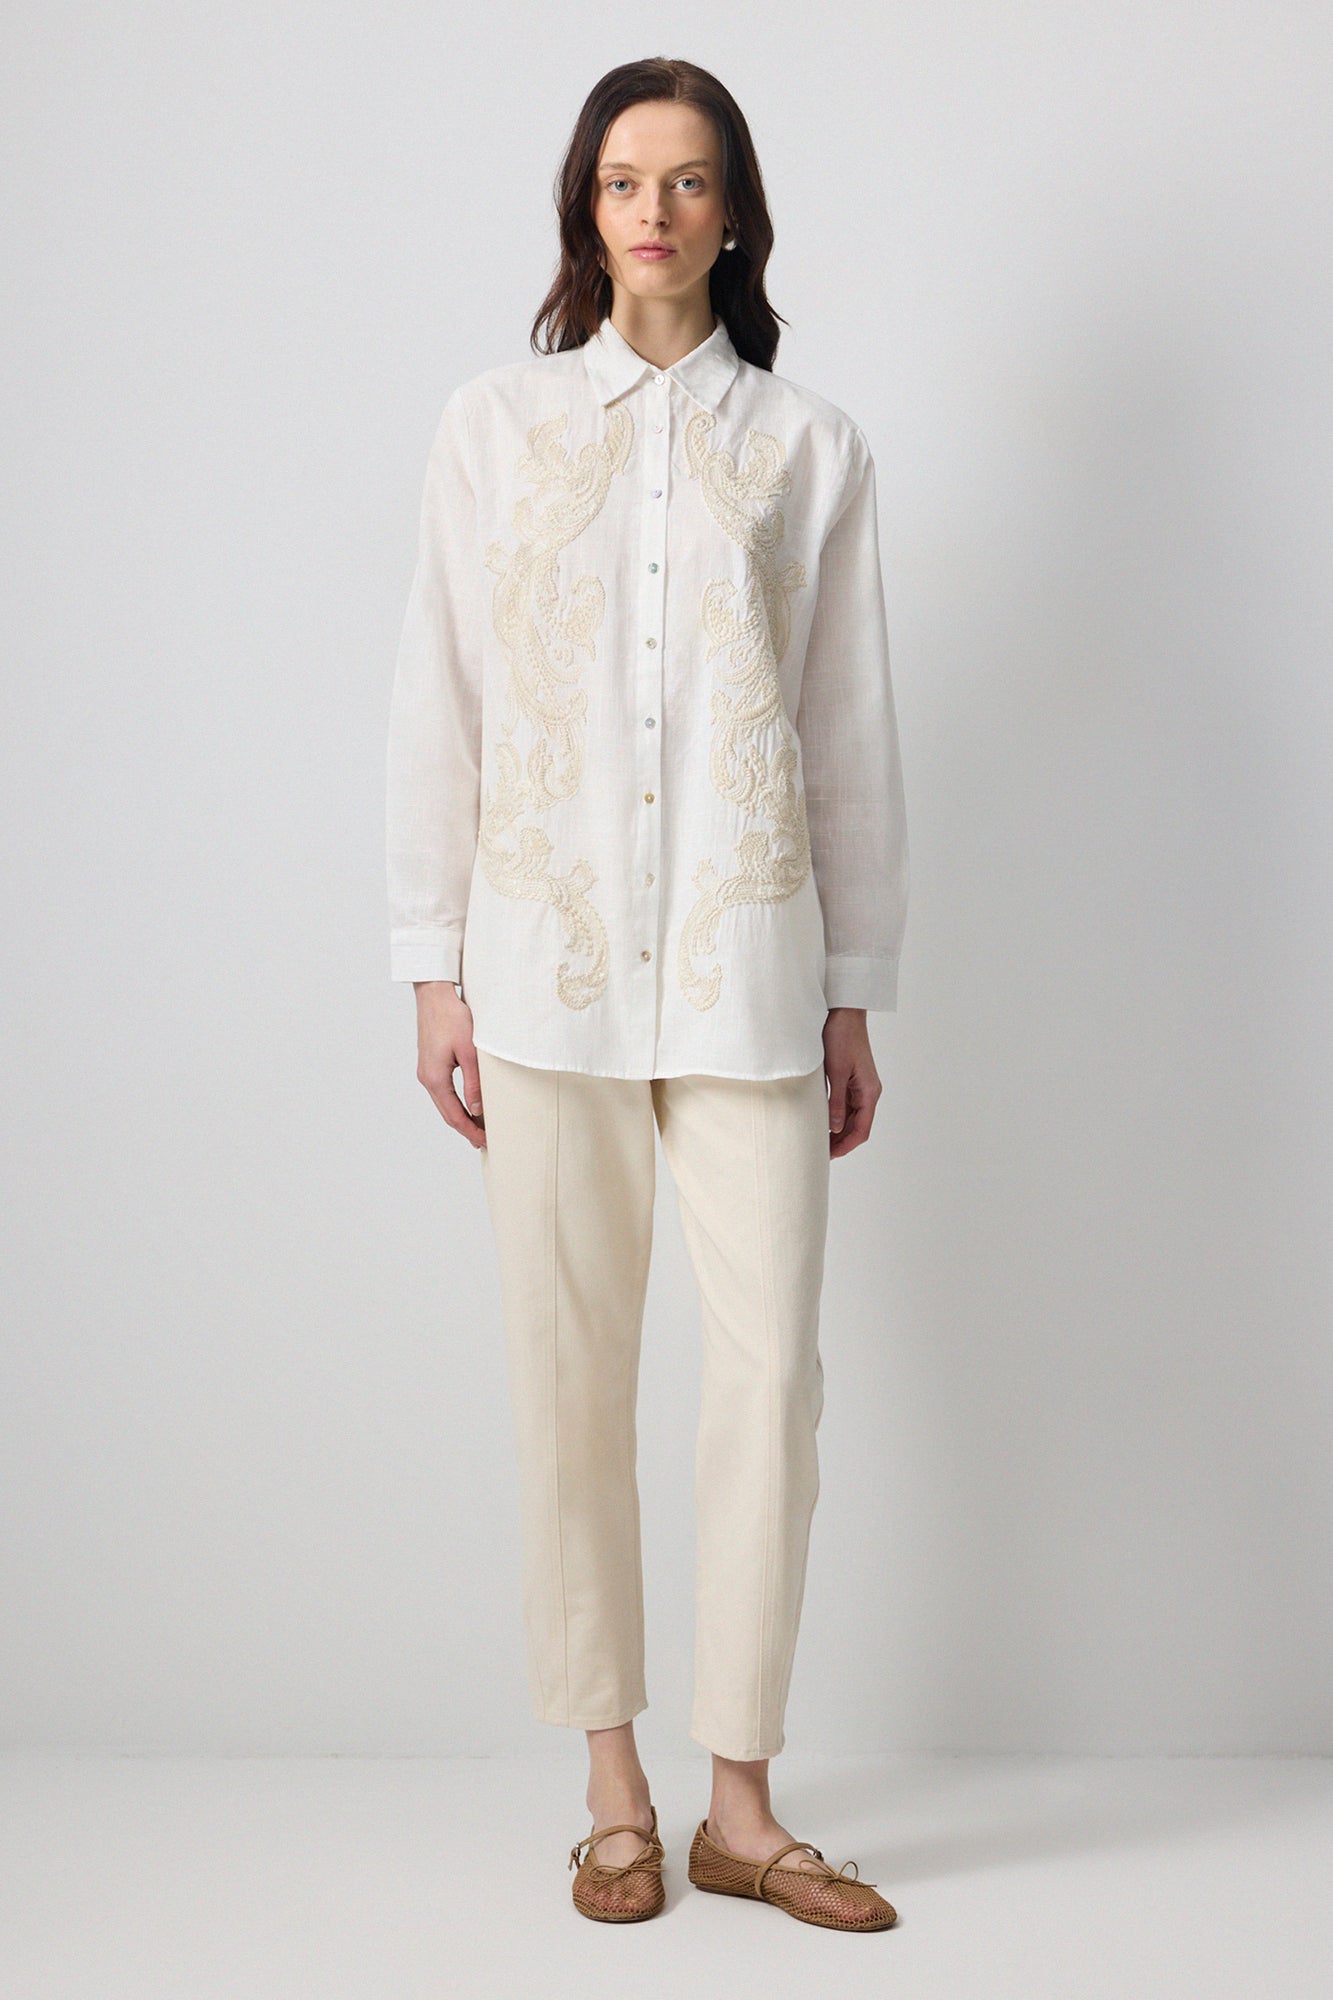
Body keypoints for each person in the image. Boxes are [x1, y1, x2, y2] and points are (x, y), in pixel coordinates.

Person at [385, 56, 908, 1933]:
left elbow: (845, 732)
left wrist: (851, 990)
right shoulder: (495, 428)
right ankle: (610, 1785)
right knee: (569, 1369)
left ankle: (739, 1805)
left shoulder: (811, 447)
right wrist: (431, 964)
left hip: (747, 970)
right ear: (583, 208)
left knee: (769, 1379)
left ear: (734, 212)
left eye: (688, 182)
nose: (655, 213)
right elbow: (441, 696)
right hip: (543, 969)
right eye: (624, 180)